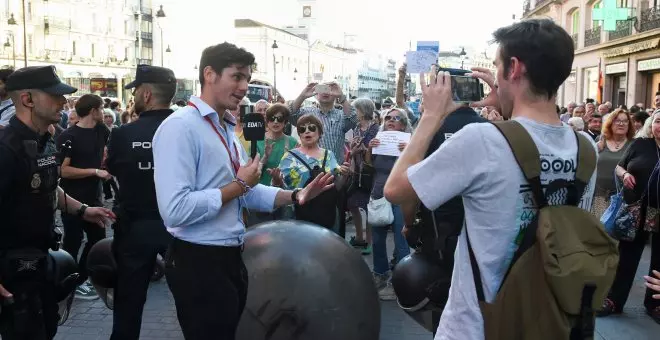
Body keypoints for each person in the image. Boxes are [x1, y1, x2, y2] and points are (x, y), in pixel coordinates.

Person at [383, 19, 595, 339]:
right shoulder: (585, 147)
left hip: (477, 325)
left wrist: (429, 117)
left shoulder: (482, 140)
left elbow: (395, 190)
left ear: (513, 68)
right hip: (550, 319)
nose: (494, 76)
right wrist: (508, 108)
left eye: (497, 66)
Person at [152, 42, 334, 339]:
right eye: (236, 77)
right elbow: (175, 210)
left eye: (247, 78)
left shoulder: (224, 128)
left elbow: (247, 192)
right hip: (198, 261)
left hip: (230, 256)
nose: (244, 86)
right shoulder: (180, 127)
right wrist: (238, 185)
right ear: (209, 74)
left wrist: (296, 196)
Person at [0, 65, 114, 340]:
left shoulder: (45, 140)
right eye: (55, 95)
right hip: (11, 269)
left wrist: (83, 209)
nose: (64, 102)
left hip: (41, 261)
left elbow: (49, 187)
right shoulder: (5, 147)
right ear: (28, 99)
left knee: (46, 329)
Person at [105, 65, 177, 340]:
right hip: (178, 226)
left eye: (136, 90)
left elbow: (114, 169)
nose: (134, 95)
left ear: (146, 95)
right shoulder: (187, 130)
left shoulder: (124, 134)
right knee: (190, 299)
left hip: (135, 227)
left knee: (128, 303)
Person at [57, 94, 112, 300]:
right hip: (70, 199)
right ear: (93, 111)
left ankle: (80, 280)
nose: (104, 112)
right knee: (72, 241)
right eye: (101, 108)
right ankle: (67, 284)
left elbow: (106, 153)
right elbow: (63, 171)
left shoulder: (102, 131)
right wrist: (94, 171)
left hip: (94, 198)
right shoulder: (68, 136)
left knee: (98, 240)